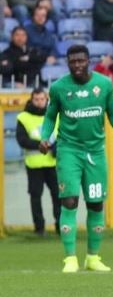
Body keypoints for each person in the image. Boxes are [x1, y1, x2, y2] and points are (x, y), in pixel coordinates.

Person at [39, 44, 113, 273]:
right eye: (73, 62)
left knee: (95, 203)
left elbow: (112, 112)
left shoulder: (103, 84)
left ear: (88, 61)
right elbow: (50, 117)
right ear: (68, 63)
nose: (77, 65)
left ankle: (93, 257)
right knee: (69, 201)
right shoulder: (60, 87)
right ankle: (70, 258)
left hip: (96, 152)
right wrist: (44, 137)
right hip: (69, 150)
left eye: (81, 61)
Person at [16, 87, 60, 236]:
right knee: (36, 196)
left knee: (58, 195)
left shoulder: (55, 115)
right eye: (37, 99)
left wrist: (55, 147)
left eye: (42, 99)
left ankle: (61, 227)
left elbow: (63, 134)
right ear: (31, 99)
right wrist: (42, 145)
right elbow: (22, 140)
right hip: (34, 164)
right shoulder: (24, 117)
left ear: (46, 99)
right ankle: (39, 228)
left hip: (53, 164)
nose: (40, 102)